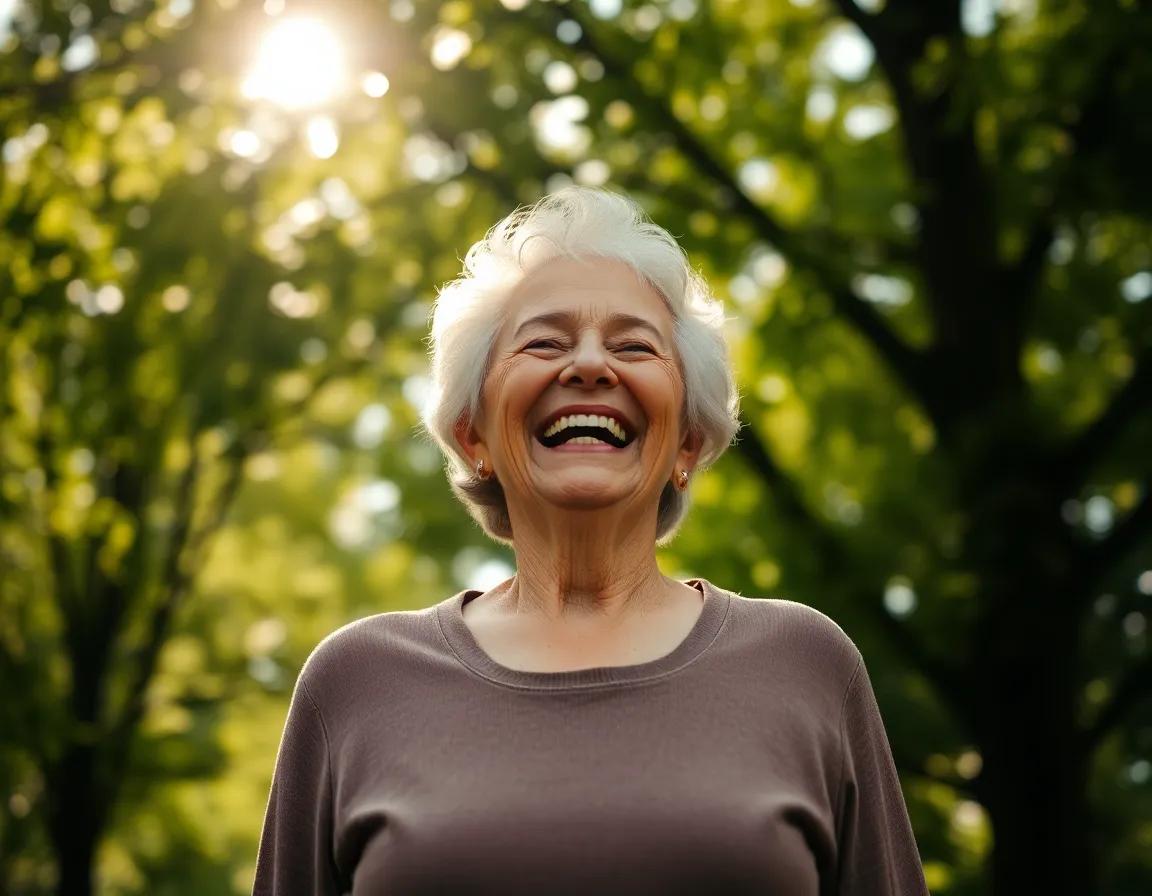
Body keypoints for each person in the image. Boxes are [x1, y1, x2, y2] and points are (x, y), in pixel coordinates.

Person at [253, 187, 929, 895]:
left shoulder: (806, 666)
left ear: (689, 443)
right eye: (543, 340)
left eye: (633, 345)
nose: (588, 365)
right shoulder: (357, 682)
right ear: (473, 435)